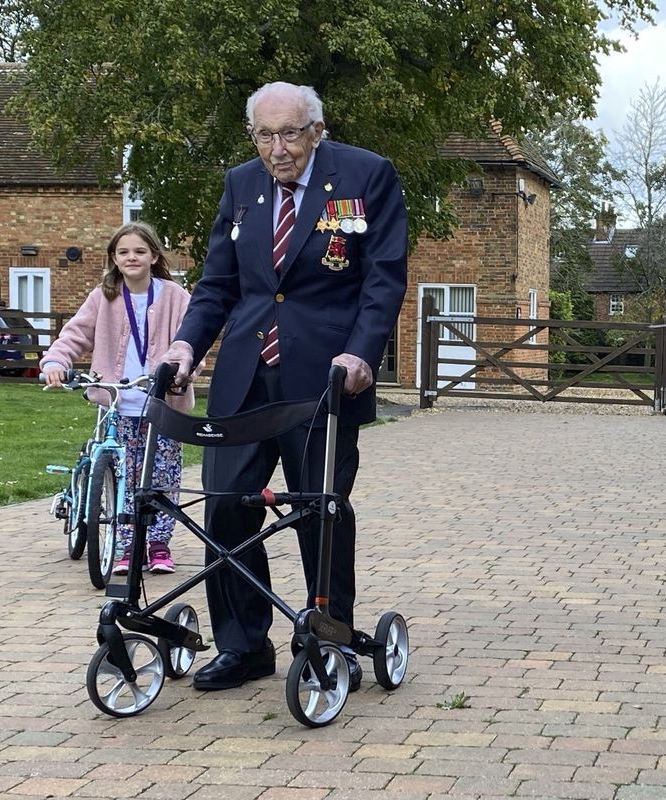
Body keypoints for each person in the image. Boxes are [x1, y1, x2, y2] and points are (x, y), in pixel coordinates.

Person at [161, 81, 408, 692]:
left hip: (324, 379)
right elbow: (219, 283)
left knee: (319, 513)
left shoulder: (366, 176)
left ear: (316, 129)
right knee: (223, 511)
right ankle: (244, 647)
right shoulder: (241, 185)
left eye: (290, 133)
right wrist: (186, 344)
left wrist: (361, 351)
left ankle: (333, 637)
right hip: (244, 378)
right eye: (265, 135)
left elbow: (383, 279)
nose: (278, 149)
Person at [41, 221, 196, 575]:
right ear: (114, 257)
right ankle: (126, 545)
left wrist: (185, 372)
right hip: (117, 401)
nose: (132, 258)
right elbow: (74, 336)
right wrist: (55, 361)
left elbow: (194, 339)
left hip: (163, 402)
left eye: (140, 251)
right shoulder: (103, 296)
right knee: (123, 475)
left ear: (154, 255)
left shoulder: (174, 296)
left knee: (162, 475)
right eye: (123, 252)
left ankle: (157, 545)